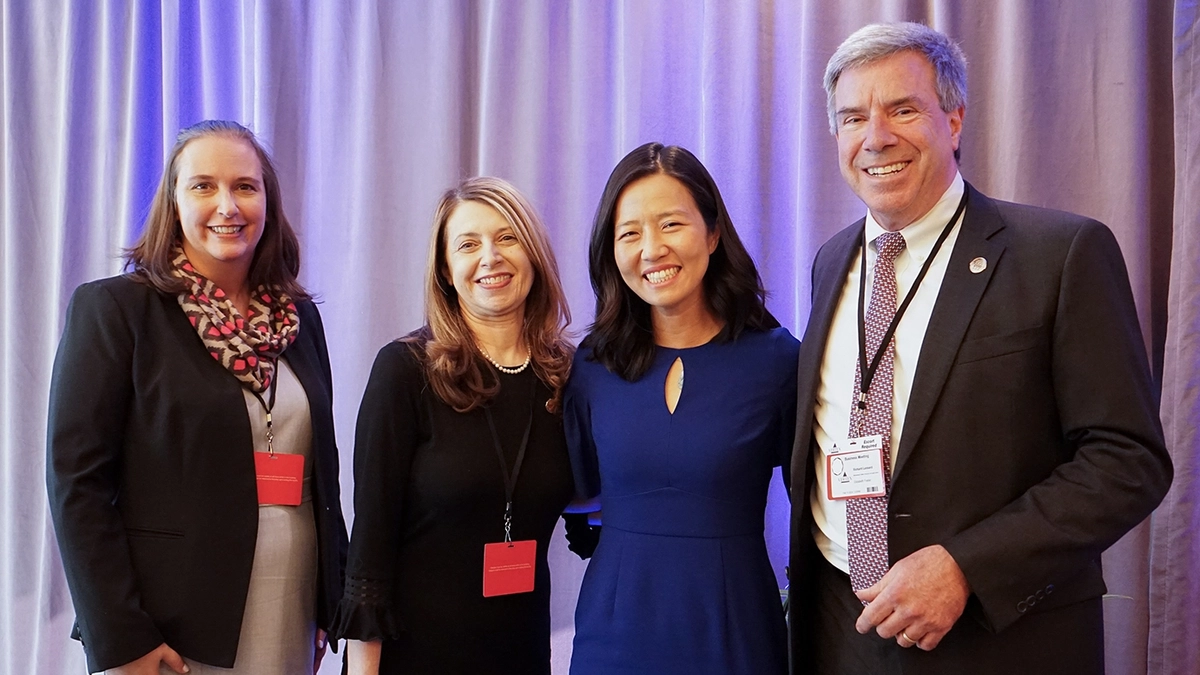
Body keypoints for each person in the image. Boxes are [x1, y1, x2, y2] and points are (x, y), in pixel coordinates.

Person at [787, 22, 1173, 675]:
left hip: (995, 639)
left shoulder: (1060, 254)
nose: (875, 136)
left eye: (902, 109)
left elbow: (1127, 460)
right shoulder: (831, 262)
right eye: (853, 117)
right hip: (839, 629)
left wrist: (966, 566)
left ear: (955, 118)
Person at [46, 120, 348, 674]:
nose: (227, 205)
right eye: (203, 186)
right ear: (174, 202)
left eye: (245, 187)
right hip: (169, 629)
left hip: (292, 608)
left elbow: (320, 475)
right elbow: (77, 485)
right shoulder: (116, 311)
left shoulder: (299, 320)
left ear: (268, 202)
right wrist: (121, 636)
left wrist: (334, 595)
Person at [334, 177, 593, 675]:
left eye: (507, 238)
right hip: (415, 655)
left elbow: (592, 518)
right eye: (468, 244)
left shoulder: (569, 377)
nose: (490, 257)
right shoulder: (405, 370)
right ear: (447, 272)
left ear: (533, 255)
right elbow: (370, 547)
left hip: (521, 654)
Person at [565, 142, 799, 675]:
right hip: (613, 632)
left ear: (713, 234)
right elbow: (574, 492)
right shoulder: (593, 364)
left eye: (670, 224)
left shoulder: (779, 360)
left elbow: (817, 510)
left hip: (734, 629)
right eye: (630, 233)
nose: (651, 249)